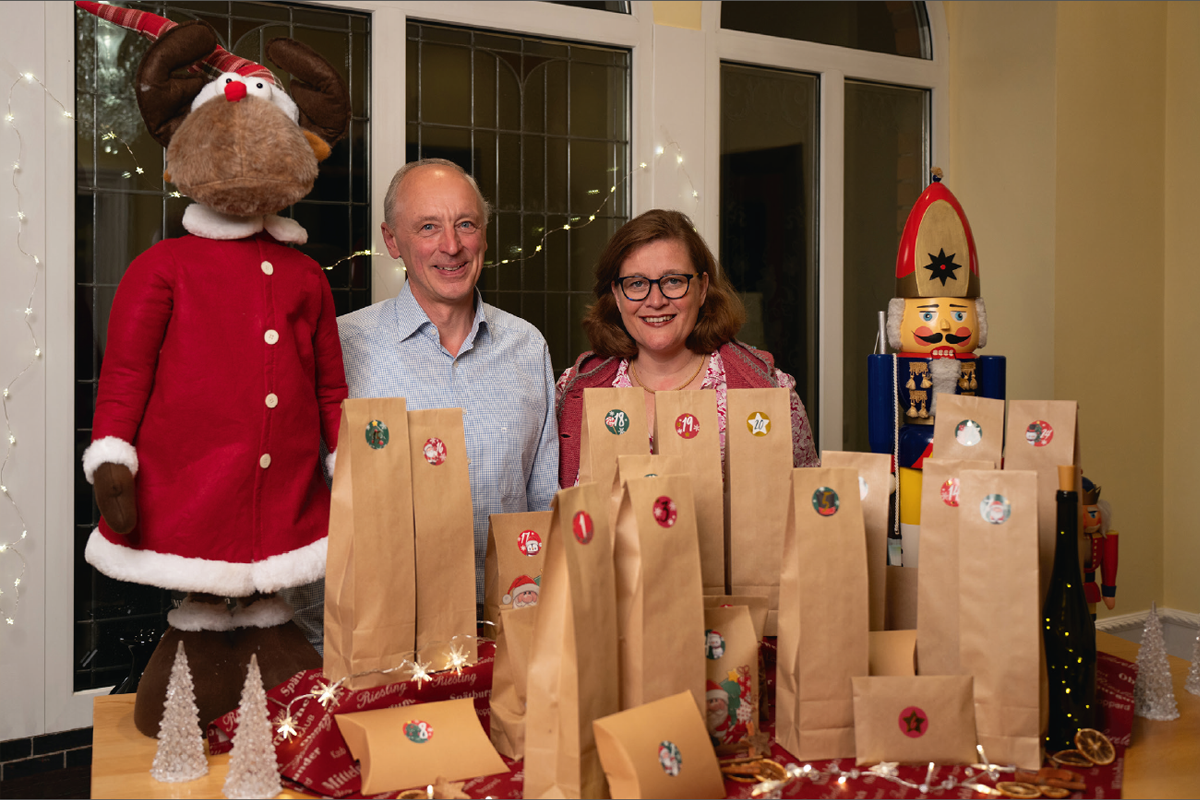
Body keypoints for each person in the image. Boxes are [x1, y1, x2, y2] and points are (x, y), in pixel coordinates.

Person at [285, 159, 559, 647]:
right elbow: (306, 505)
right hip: (378, 629)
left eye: (466, 224)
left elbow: (544, 505)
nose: (451, 246)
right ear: (393, 241)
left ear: (485, 235)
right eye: (428, 227)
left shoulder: (527, 346)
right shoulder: (341, 348)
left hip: (507, 628)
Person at [556, 208, 818, 487]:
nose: (655, 301)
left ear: (702, 288)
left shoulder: (769, 389)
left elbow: (810, 509)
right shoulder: (573, 391)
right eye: (636, 283)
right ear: (618, 296)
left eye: (673, 281)